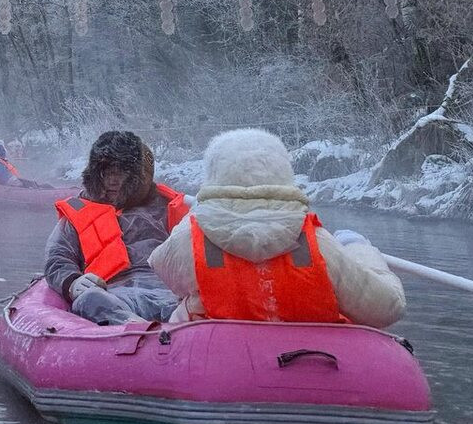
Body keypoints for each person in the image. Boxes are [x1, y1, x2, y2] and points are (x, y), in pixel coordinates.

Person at [149, 128, 405, 327]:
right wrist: (359, 249)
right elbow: (387, 307)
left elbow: (161, 265)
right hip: (308, 358)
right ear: (285, 172)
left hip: (213, 356)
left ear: (213, 173)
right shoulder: (318, 242)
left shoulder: (190, 236)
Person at [44, 130, 188, 325]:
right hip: (114, 295)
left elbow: (198, 253)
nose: (112, 180)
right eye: (106, 173)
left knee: (203, 304)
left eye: (121, 173)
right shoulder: (79, 213)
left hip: (170, 295)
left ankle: (168, 331)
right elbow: (58, 257)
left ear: (138, 176)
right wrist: (72, 282)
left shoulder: (170, 208)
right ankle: (136, 329)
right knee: (88, 300)